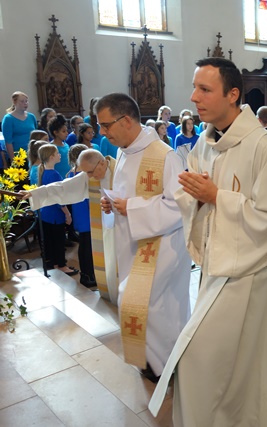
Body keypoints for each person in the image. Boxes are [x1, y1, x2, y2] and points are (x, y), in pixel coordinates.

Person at [148, 57, 267, 427]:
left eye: (204, 89)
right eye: (195, 87)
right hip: (217, 267)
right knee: (212, 362)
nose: (193, 96)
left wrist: (216, 196)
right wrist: (198, 195)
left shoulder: (262, 147)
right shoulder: (206, 139)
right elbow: (191, 192)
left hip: (251, 273)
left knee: (211, 356)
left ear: (233, 95)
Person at [25, 93, 191, 384]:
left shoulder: (163, 156)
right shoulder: (126, 153)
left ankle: (168, 363)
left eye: (105, 125)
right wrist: (113, 204)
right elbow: (124, 195)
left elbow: (180, 207)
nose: (101, 132)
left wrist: (130, 207)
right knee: (140, 305)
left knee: (151, 306)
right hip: (135, 246)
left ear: (126, 121)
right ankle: (152, 361)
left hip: (162, 249)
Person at [36, 144, 77, 275]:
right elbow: (59, 199)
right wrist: (68, 214)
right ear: (51, 157)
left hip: (45, 213)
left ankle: (53, 262)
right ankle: (61, 265)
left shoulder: (43, 172)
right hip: (55, 214)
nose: (60, 155)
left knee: (51, 241)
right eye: (57, 153)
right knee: (59, 241)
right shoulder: (54, 174)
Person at [66, 144, 96, 288]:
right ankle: (89, 276)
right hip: (87, 212)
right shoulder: (83, 175)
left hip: (79, 212)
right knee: (87, 246)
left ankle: (86, 274)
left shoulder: (71, 173)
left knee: (84, 244)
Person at [2, 91, 38, 161]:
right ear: (14, 102)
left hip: (33, 154)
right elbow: (8, 141)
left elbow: (36, 135)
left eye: (26, 101)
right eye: (22, 101)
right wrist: (13, 159)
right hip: (18, 155)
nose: (25, 103)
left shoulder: (31, 116)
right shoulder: (8, 118)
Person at [47, 114, 72, 180]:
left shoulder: (66, 145)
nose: (67, 133)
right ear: (55, 132)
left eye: (67, 130)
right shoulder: (51, 148)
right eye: (63, 131)